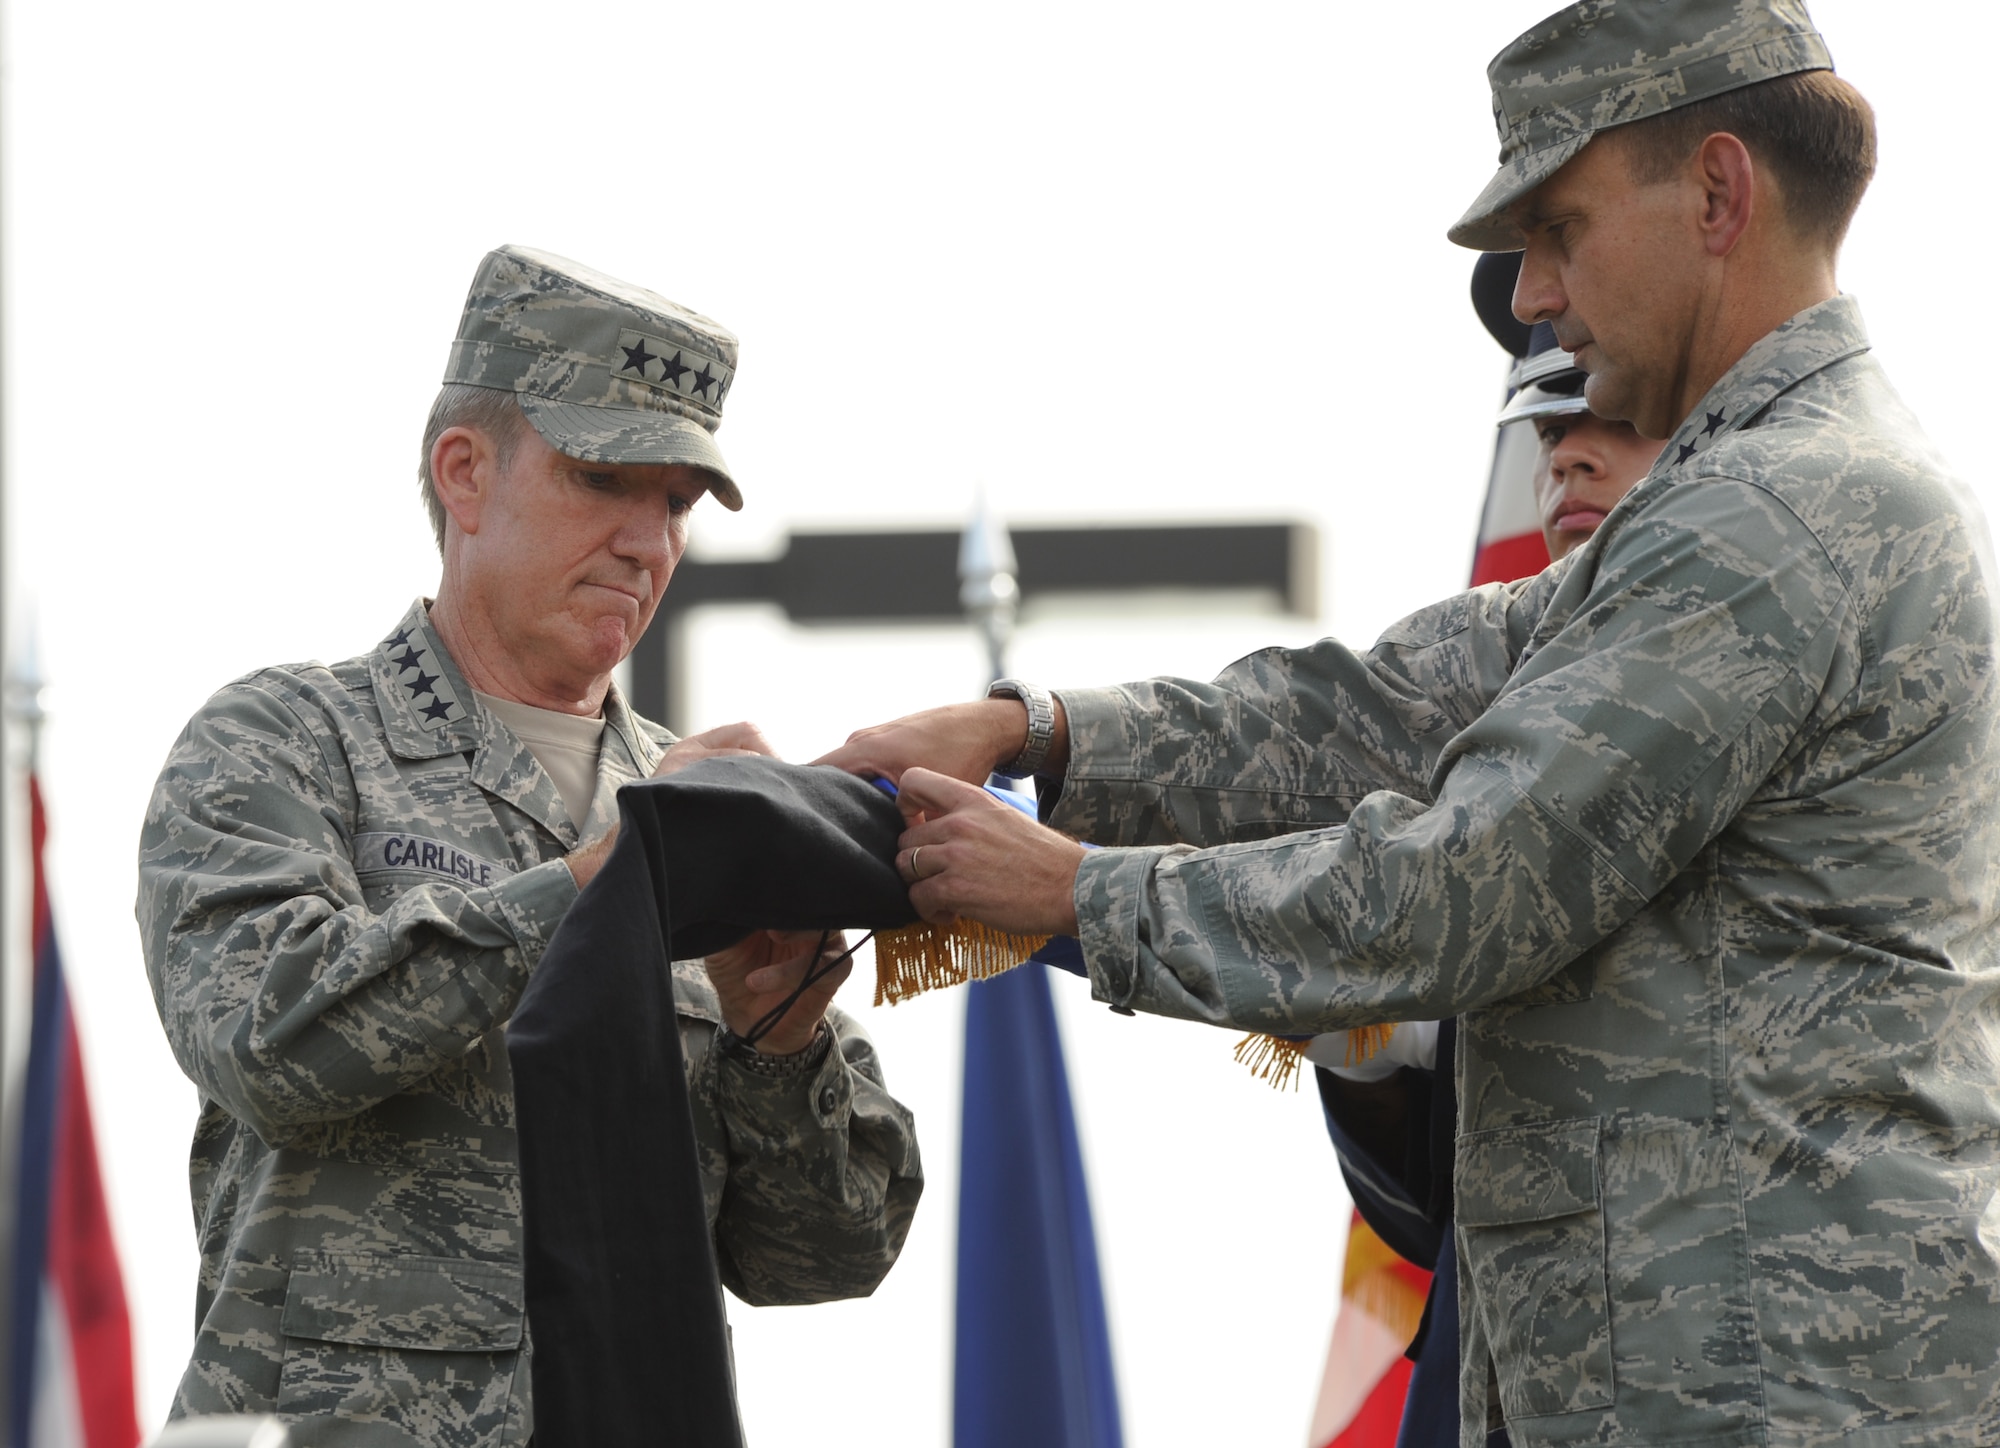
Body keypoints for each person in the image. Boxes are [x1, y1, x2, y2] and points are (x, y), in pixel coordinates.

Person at [821, 3, 2000, 1444]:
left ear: (1717, 192)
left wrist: (1075, 893)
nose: (1537, 296)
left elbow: (1470, 881)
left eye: (1561, 228)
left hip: (1772, 1396)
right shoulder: (1739, 502)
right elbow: (1386, 705)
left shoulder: (1785, 512)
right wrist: (1038, 734)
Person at [137, 246, 922, 1445]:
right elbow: (264, 1040)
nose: (645, 541)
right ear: (464, 471)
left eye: (672, 503)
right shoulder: (288, 741)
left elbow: (825, 1249)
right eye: (605, 479)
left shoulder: (697, 801)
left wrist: (777, 1034)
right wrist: (603, 882)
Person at [1313, 269, 1665, 1448]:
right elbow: (1436, 1219)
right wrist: (1374, 1054)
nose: (1565, 457)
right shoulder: (1485, 734)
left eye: (1612, 422)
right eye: (1550, 429)